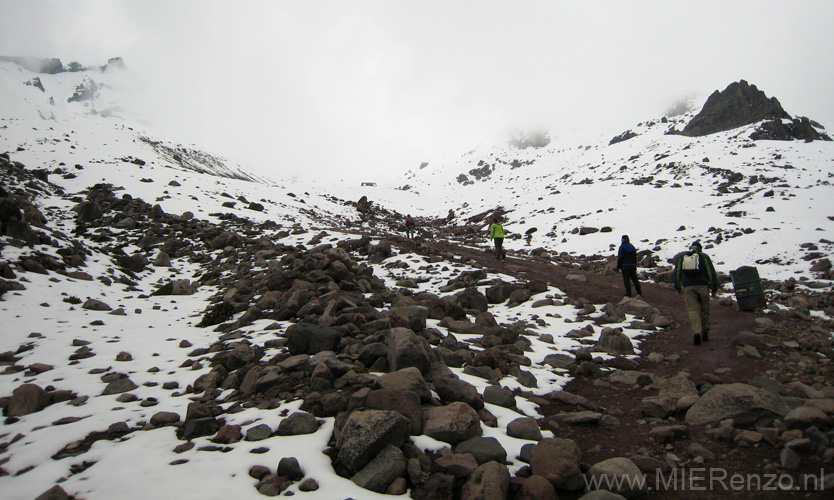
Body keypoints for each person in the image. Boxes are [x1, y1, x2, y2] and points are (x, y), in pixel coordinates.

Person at [674, 240, 718, 345]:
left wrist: (677, 286)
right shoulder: (704, 257)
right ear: (700, 248)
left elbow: (677, 271)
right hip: (702, 286)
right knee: (705, 309)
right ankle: (705, 331)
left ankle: (696, 332)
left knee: (693, 310)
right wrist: (714, 287)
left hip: (688, 287)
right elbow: (711, 272)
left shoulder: (682, 257)